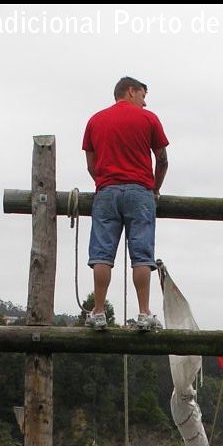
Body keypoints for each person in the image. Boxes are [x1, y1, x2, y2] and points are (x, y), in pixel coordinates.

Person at [82, 76, 169, 331]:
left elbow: (91, 163)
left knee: (101, 254)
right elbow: (162, 159)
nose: (145, 101)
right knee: (142, 254)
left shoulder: (95, 120)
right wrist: (155, 188)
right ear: (131, 91)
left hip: (106, 191)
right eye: (143, 95)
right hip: (140, 191)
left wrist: (104, 182)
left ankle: (98, 312)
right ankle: (144, 313)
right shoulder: (149, 118)